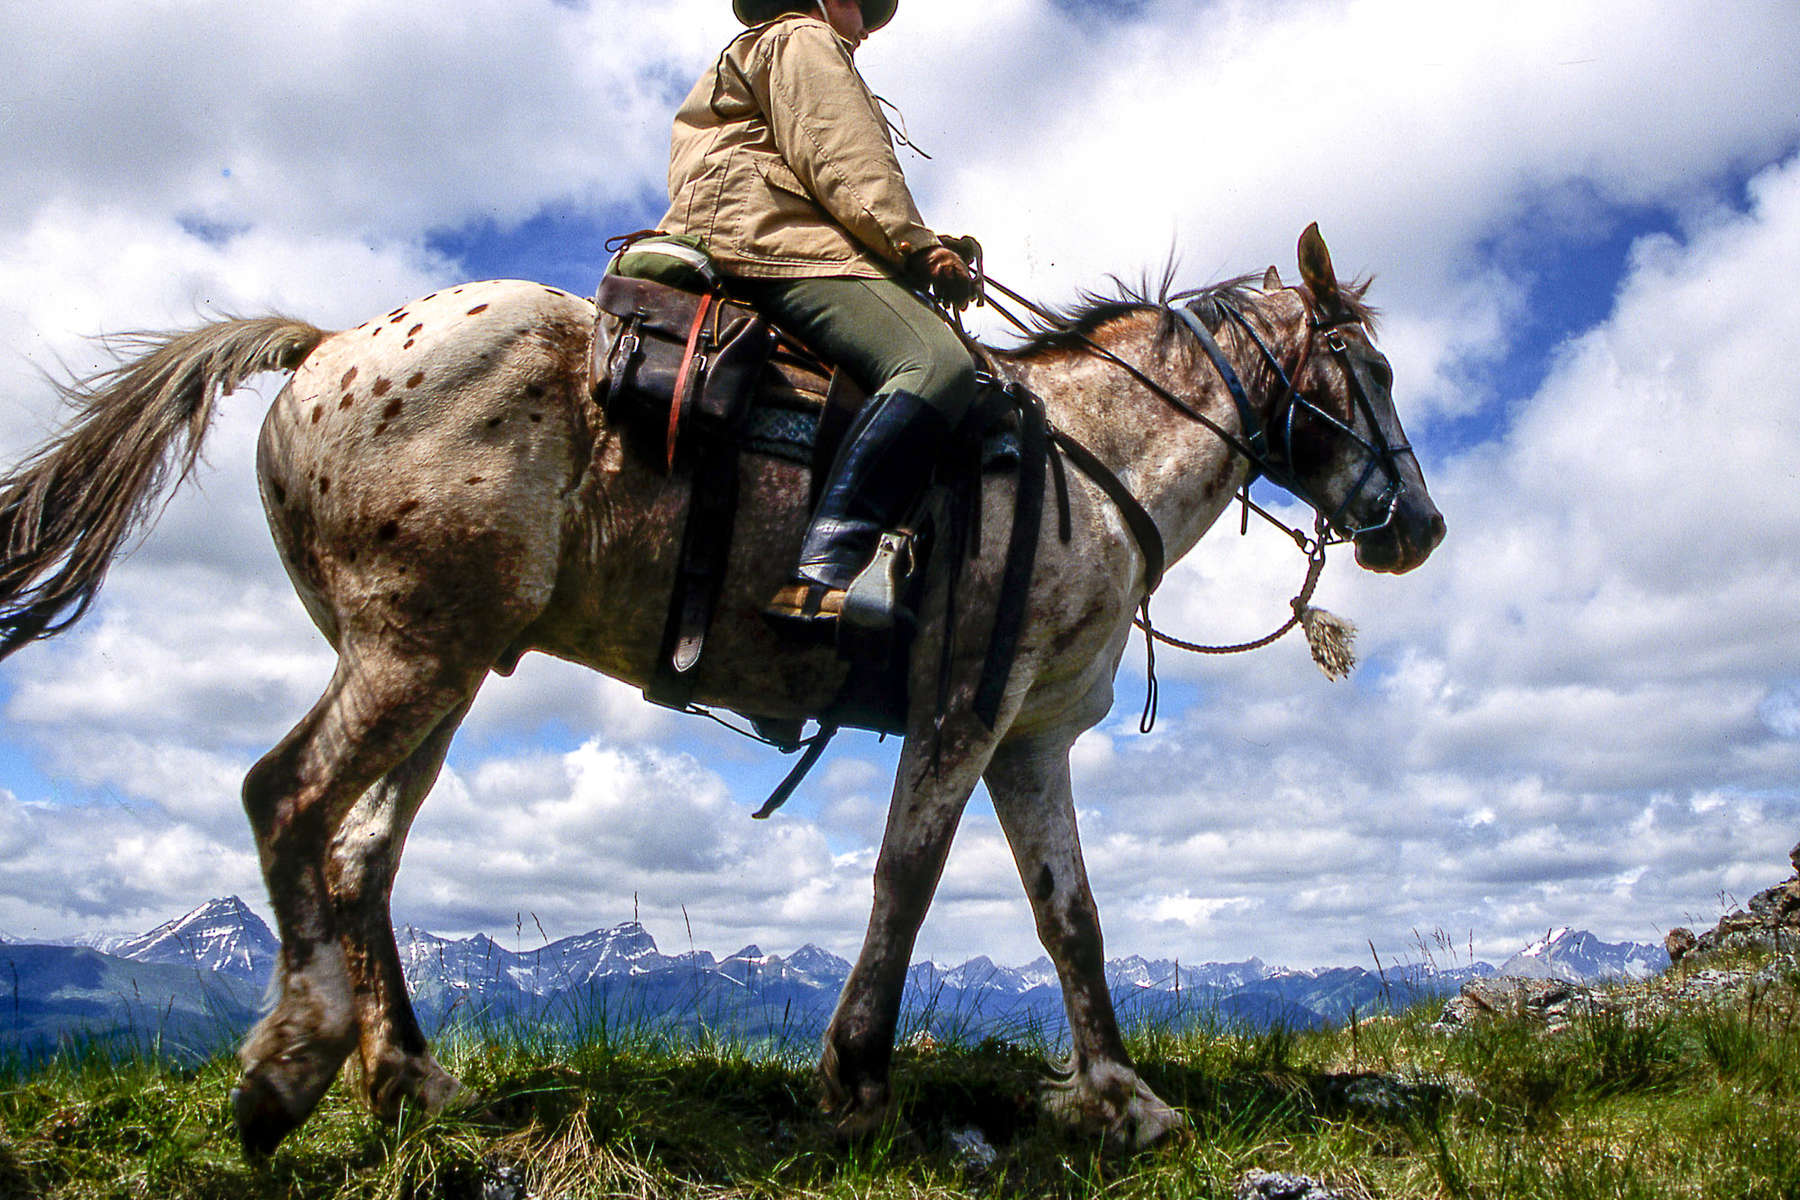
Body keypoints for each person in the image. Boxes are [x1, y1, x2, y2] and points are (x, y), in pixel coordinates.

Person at [657, 0, 979, 634]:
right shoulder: (802, 35)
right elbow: (843, 162)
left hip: (742, 233)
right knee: (937, 362)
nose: (863, 30)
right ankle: (827, 570)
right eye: (860, 9)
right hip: (774, 243)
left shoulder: (756, 52)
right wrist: (917, 246)